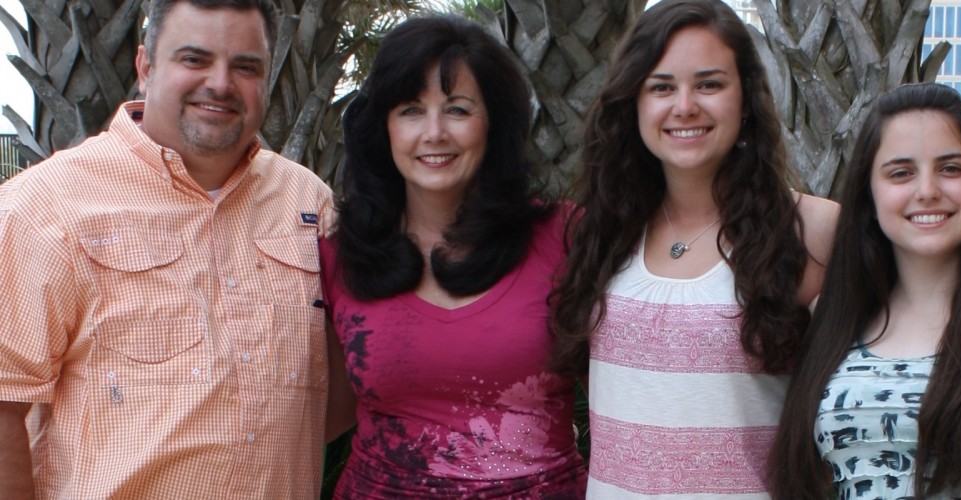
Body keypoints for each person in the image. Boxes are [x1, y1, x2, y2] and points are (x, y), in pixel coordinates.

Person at [0, 0, 334, 496]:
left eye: (245, 66)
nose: (220, 84)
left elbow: (341, 384)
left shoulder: (309, 205)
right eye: (194, 59)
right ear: (145, 67)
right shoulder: (46, 206)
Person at [548, 0, 838, 497]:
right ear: (634, 102)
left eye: (709, 84)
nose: (684, 106)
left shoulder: (811, 228)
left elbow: (919, 320)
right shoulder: (600, 232)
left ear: (746, 99)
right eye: (661, 87)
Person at [320, 15, 587, 498]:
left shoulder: (565, 237)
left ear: (495, 124)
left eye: (458, 110)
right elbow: (319, 414)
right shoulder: (340, 254)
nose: (435, 132)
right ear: (383, 127)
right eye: (410, 110)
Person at [768, 83, 961, 498]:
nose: (926, 190)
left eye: (952, 168)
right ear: (870, 193)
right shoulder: (831, 319)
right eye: (901, 172)